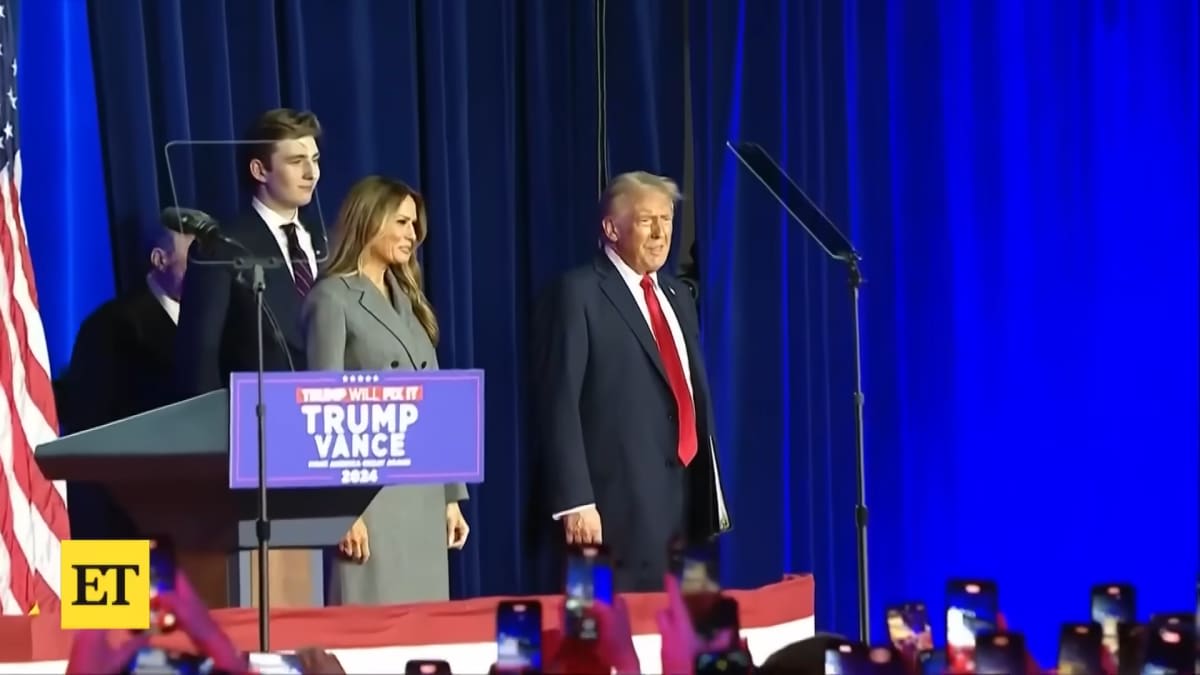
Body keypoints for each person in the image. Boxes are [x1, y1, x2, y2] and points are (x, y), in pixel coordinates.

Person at [531, 171, 731, 593]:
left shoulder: (678, 297)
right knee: (611, 643)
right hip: (613, 513)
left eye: (667, 219)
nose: (661, 233)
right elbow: (558, 402)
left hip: (686, 510)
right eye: (646, 221)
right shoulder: (578, 293)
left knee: (685, 642)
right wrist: (576, 501)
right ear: (611, 228)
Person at [300, 175, 470, 605]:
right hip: (370, 500)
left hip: (423, 500)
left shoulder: (410, 301)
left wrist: (451, 497)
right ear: (370, 220)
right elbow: (322, 411)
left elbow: (436, 405)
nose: (413, 234)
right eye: (401, 222)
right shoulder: (332, 299)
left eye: (415, 225)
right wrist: (340, 511)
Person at [174, 108, 326, 397]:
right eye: (297, 161)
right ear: (259, 170)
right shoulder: (221, 245)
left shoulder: (324, 240)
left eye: (315, 160)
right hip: (260, 424)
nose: (312, 173)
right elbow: (199, 357)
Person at [59, 220, 195, 539]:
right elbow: (91, 427)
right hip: (120, 522)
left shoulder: (213, 326)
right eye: (195, 257)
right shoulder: (111, 326)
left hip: (190, 522)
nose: (206, 269)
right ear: (160, 259)